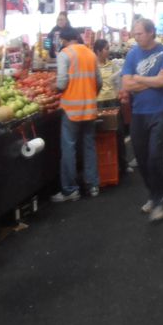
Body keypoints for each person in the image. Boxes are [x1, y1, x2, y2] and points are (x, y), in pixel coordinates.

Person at [121, 18, 163, 222]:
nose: (136, 37)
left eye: (140, 33)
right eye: (134, 34)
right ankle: (153, 194)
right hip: (138, 113)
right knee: (142, 159)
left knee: (155, 156)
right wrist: (153, 82)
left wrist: (139, 79)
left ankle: (160, 199)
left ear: (151, 32)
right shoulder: (132, 54)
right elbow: (126, 84)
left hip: (160, 111)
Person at [53, 27, 102, 202]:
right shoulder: (90, 54)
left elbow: (61, 83)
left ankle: (70, 190)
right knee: (89, 146)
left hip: (71, 109)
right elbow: (99, 81)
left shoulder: (65, 54)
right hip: (89, 107)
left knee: (69, 148)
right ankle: (93, 185)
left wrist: (53, 87)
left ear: (64, 40)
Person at [95, 38, 131, 175]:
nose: (108, 51)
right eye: (106, 49)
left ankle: (123, 164)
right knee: (102, 136)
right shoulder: (93, 67)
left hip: (113, 101)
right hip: (99, 103)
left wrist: (121, 95)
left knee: (119, 132)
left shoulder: (112, 65)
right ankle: (105, 167)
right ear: (98, 51)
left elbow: (119, 82)